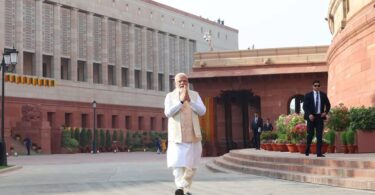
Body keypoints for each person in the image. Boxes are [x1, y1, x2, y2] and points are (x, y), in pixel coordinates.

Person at [164, 72, 206, 195]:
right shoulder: (170, 96)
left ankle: (184, 187)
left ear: (188, 82)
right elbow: (168, 113)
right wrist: (181, 102)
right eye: (179, 81)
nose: (182, 83)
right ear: (175, 83)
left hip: (193, 136)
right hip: (177, 137)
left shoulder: (195, 95)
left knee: (191, 166)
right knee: (177, 165)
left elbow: (202, 111)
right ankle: (181, 189)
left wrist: (190, 101)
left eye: (185, 81)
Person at [303, 80, 331, 157]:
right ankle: (307, 149)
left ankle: (319, 153)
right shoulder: (308, 95)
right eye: (315, 85)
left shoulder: (323, 95)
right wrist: (309, 115)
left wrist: (325, 112)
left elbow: (328, 105)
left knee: (319, 135)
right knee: (310, 134)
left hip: (319, 117)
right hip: (311, 117)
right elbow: (305, 107)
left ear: (319, 86)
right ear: (312, 86)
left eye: (318, 85)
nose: (317, 87)